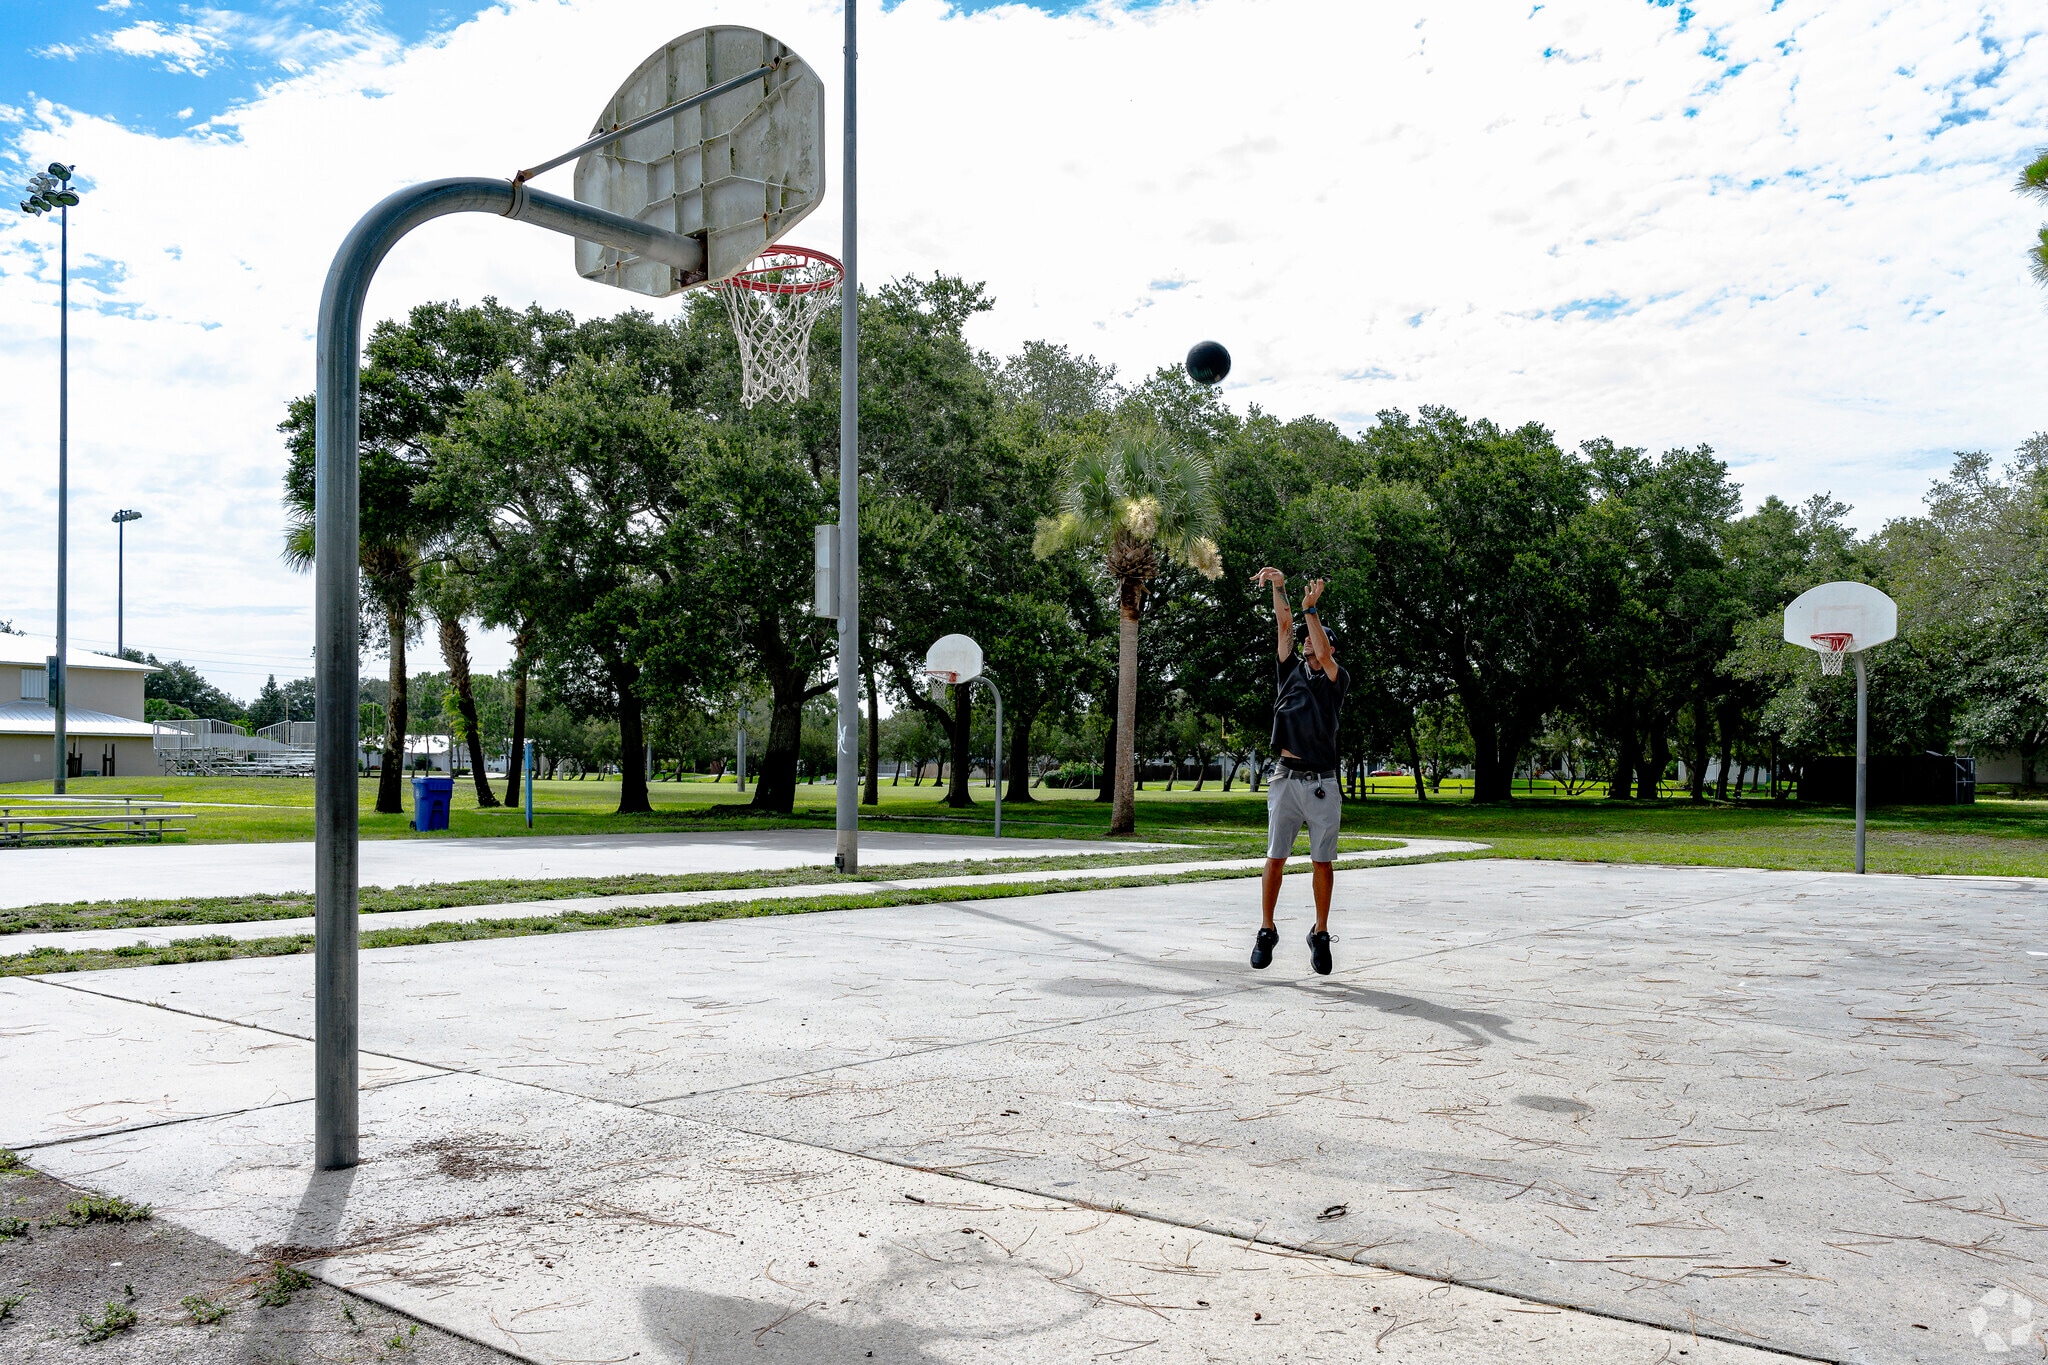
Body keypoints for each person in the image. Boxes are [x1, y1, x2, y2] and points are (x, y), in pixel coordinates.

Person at [1249, 568, 1350, 975]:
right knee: (1275, 857)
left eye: (1317, 637)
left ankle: (1320, 933)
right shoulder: (1288, 669)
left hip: (1322, 781)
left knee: (1321, 862)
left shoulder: (1336, 679)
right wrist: (1279, 586)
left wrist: (1312, 611)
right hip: (1285, 778)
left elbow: (1323, 654)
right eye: (1307, 636)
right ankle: (1267, 929)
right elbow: (1284, 624)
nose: (1308, 639)